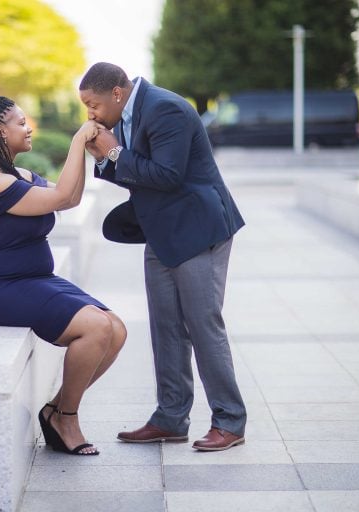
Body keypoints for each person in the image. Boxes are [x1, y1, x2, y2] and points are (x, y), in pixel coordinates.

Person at [79, 62, 247, 451]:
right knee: (166, 327)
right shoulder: (127, 112)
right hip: (161, 232)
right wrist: (104, 157)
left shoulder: (165, 108)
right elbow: (134, 173)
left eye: (92, 104)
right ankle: (170, 418)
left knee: (203, 326)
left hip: (197, 228)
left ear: (116, 93)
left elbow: (167, 175)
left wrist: (115, 151)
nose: (90, 113)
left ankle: (230, 422)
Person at [0, 87, 127, 456]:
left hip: (35, 281)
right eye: (21, 122)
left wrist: (93, 153)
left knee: (115, 330)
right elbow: (63, 199)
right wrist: (76, 142)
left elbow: (72, 195)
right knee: (96, 328)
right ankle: (65, 417)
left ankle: (55, 409)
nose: (29, 128)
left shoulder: (19, 174)